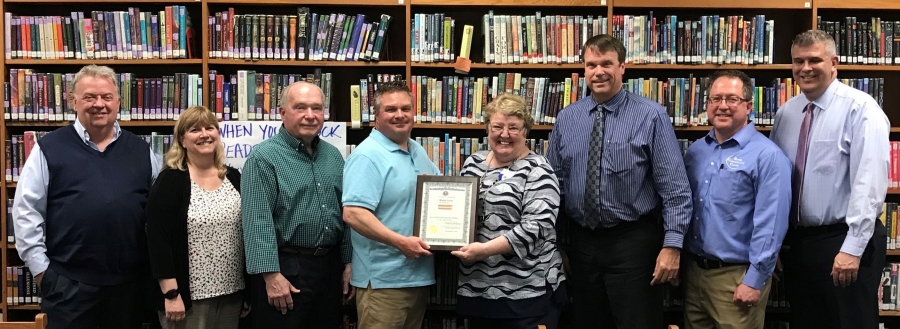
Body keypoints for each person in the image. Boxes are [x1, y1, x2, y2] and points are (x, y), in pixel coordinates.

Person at [545, 34, 693, 329]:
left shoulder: (651, 116)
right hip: (582, 244)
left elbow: (675, 189)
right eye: (591, 65)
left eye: (606, 63)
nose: (598, 72)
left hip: (633, 244)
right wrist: (555, 243)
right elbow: (554, 185)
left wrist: (672, 246)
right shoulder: (567, 118)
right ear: (583, 70)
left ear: (622, 66)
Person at [11, 64, 163, 329]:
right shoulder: (48, 149)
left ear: (118, 102)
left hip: (130, 288)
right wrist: (43, 273)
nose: (99, 104)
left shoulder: (141, 150)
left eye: (106, 97)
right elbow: (26, 212)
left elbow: (159, 210)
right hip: (69, 288)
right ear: (74, 101)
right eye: (89, 97)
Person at [770, 29, 889, 329]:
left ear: (834, 63)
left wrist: (852, 248)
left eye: (814, 60)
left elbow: (869, 185)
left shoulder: (861, 109)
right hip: (800, 245)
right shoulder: (787, 113)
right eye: (798, 61)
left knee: (850, 323)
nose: (805, 68)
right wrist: (774, 244)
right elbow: (777, 182)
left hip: (844, 240)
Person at [681, 70, 792, 329]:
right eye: (715, 99)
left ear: (749, 106)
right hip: (695, 273)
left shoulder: (768, 157)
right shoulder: (696, 151)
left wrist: (754, 279)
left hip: (736, 278)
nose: (722, 106)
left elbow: (771, 224)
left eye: (732, 99)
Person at [241, 81, 353, 328]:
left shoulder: (334, 156)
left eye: (317, 108)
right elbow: (257, 221)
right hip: (285, 269)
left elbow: (346, 213)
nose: (310, 116)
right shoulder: (264, 157)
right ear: (282, 112)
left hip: (328, 267)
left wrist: (348, 262)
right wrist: (271, 275)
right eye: (300, 107)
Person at [452, 93, 567, 329]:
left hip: (526, 294)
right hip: (478, 289)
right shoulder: (473, 163)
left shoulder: (539, 170)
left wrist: (484, 250)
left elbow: (535, 228)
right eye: (497, 126)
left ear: (526, 131)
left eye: (513, 127)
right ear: (487, 129)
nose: (504, 135)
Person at [342, 81, 441, 329]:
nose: (400, 115)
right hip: (383, 282)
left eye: (406, 108)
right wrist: (401, 243)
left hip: (417, 277)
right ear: (376, 116)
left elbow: (443, 193)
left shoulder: (417, 150)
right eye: (391, 109)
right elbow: (353, 214)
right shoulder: (367, 156)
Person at [146, 106, 250, 329]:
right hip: (187, 299)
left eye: (210, 128)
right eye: (195, 129)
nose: (204, 134)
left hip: (231, 293)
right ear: (182, 139)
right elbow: (157, 240)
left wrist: (249, 291)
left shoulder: (233, 177)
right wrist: (171, 293)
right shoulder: (171, 181)